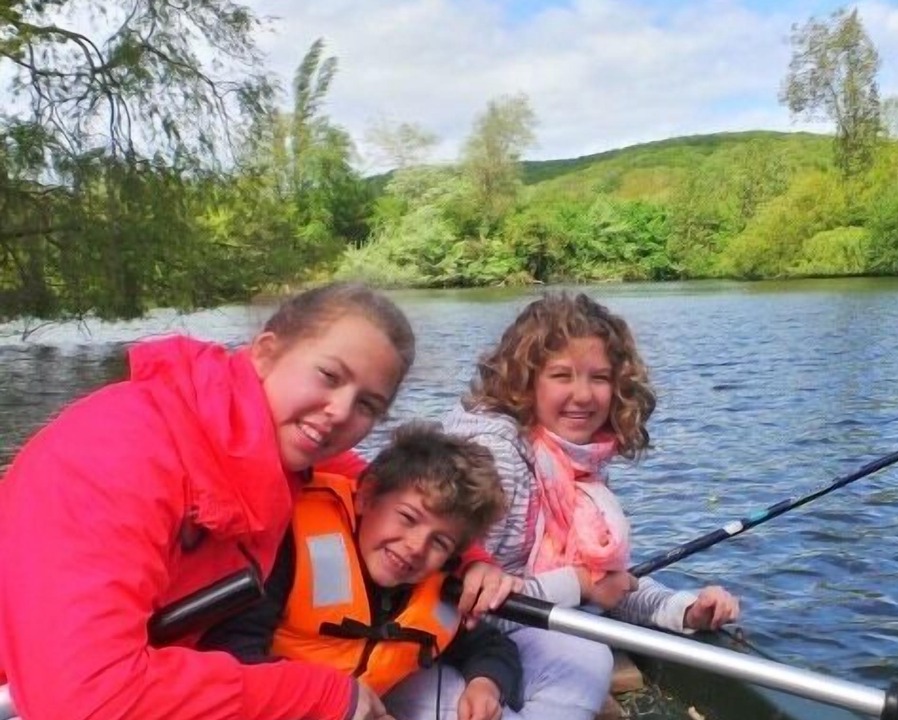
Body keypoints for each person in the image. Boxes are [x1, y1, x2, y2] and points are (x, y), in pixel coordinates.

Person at [0, 282, 415, 720]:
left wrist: (470, 558)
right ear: (265, 353)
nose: (340, 412)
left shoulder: (279, 441)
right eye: (329, 376)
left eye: (368, 406)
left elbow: (388, 487)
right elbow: (90, 700)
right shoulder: (117, 451)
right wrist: (322, 695)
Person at [427, 292, 741, 720]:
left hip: (510, 637)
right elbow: (458, 602)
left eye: (599, 378)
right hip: (440, 645)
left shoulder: (571, 461)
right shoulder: (494, 457)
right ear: (524, 382)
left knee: (588, 656)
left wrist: (684, 610)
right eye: (561, 375)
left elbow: (607, 582)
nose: (583, 395)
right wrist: (579, 585)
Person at [201, 421, 522, 720]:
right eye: (408, 518)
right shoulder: (291, 550)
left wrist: (486, 684)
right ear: (366, 497)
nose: (415, 546)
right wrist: (329, 698)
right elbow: (229, 652)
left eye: (439, 542)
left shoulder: (437, 592)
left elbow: (491, 646)